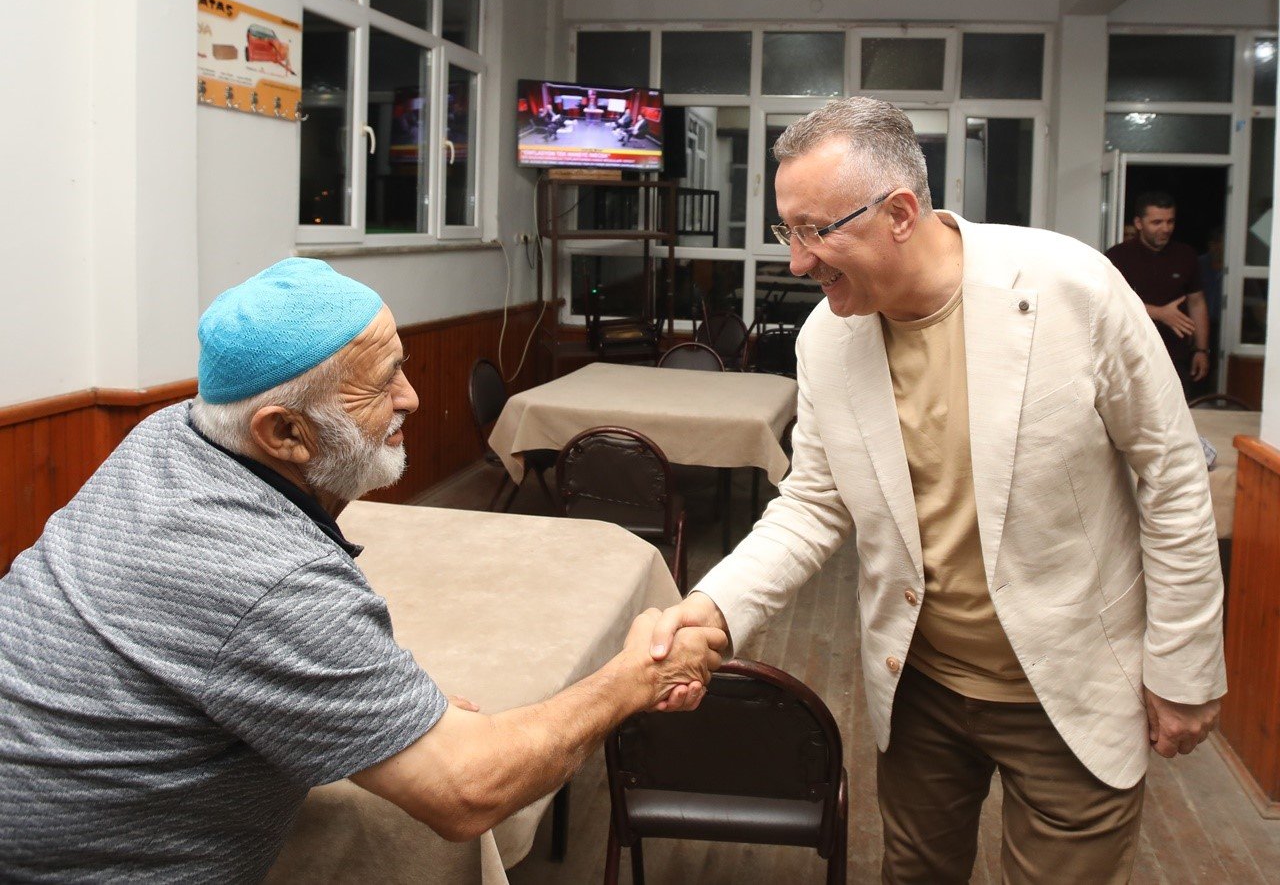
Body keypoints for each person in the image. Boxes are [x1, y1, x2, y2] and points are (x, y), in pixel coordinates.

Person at [648, 99, 1226, 883]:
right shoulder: (827, 340)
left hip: (1071, 683)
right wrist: (715, 610)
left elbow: (1172, 476)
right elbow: (813, 503)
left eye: (816, 230)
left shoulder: (1071, 288)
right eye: (789, 231)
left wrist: (1184, 669)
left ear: (899, 213)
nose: (799, 262)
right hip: (919, 685)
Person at [0, 258, 724, 882]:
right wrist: (637, 676)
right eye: (382, 383)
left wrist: (365, 698)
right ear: (284, 431)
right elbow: (466, 790)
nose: (412, 397)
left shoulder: (171, 433)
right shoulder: (265, 580)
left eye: (402, 365)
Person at [1106, 191, 1211, 395]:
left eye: (1170, 222)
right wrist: (1159, 313)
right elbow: (1109, 302)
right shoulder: (1118, 256)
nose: (1165, 228)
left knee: (1176, 411)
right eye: (1157, 222)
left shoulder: (1186, 255)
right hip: (1129, 355)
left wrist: (1201, 350)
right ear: (1139, 223)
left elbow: (1197, 302)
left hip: (1175, 356)